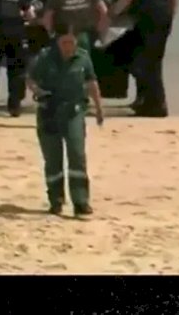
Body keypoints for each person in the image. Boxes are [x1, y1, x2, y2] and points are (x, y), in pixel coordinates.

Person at [27, 23, 104, 218]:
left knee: (77, 155)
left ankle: (81, 202)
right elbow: (30, 79)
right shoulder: (45, 58)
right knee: (53, 160)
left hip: (74, 112)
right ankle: (56, 201)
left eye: (71, 41)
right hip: (49, 113)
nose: (68, 46)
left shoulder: (83, 57)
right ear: (57, 41)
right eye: (64, 42)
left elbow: (91, 82)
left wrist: (99, 108)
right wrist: (37, 92)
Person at [109, 0, 177, 117]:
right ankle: (147, 102)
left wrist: (111, 14)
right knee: (153, 61)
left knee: (144, 62)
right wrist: (171, 16)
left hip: (147, 19)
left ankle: (157, 106)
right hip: (163, 18)